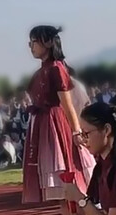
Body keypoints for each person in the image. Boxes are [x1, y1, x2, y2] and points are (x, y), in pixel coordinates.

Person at [23, 26, 86, 205]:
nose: (30, 46)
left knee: (67, 176)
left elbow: (67, 105)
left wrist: (76, 131)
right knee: (59, 189)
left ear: (48, 43)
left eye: (34, 42)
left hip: (55, 124)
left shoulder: (56, 68)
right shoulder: (41, 70)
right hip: (43, 125)